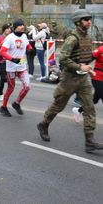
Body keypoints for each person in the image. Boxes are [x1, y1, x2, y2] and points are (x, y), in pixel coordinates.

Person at [37, 9, 103, 152]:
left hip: (82, 79)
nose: (89, 22)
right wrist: (80, 66)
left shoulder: (87, 37)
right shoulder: (73, 38)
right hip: (69, 79)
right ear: (79, 22)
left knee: (89, 107)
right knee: (58, 106)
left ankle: (89, 140)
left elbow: (85, 56)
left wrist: (88, 68)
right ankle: (44, 124)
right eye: (86, 20)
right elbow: (63, 58)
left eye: (89, 19)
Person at [0, 20, 32, 117]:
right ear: (16, 27)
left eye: (23, 25)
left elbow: (27, 45)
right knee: (11, 88)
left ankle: (16, 103)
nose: (22, 27)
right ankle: (3, 107)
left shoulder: (24, 36)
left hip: (22, 67)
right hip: (11, 68)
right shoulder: (10, 38)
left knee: (27, 87)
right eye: (20, 25)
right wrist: (12, 59)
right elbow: (2, 52)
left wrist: (30, 49)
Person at [72, 45, 103, 123]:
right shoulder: (101, 49)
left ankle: (78, 110)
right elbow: (88, 60)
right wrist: (82, 67)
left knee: (94, 100)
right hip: (97, 77)